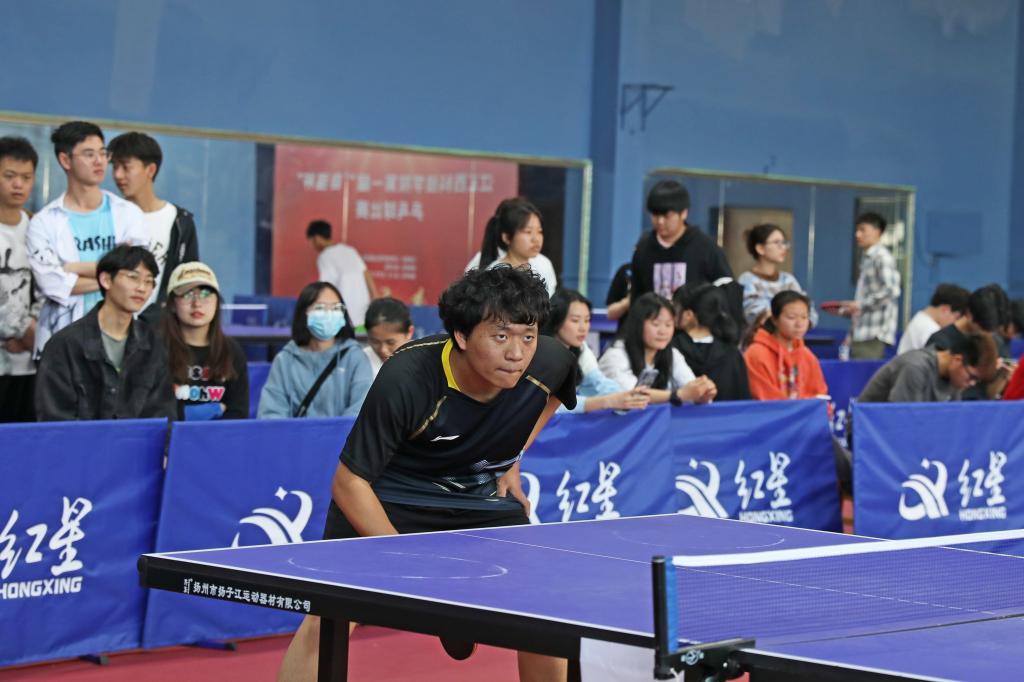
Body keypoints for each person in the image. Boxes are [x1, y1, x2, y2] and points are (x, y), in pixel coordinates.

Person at [276, 266, 578, 682]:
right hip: (389, 493)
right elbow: (349, 481)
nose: (517, 353)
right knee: (329, 616)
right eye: (500, 336)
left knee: (542, 610)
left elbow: (554, 392)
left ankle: (453, 609)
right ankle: (446, 605)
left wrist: (513, 457)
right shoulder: (407, 377)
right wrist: (408, 565)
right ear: (462, 336)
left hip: (474, 494)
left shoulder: (549, 359)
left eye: (528, 336)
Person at [27, 120, 148, 359]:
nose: (100, 161)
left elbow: (139, 272)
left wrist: (71, 268)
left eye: (103, 153)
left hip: (119, 341)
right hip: (61, 343)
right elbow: (52, 284)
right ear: (65, 160)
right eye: (89, 154)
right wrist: (116, 276)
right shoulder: (44, 222)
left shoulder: (129, 214)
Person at [34, 245, 175, 421]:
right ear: (106, 280)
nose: (142, 288)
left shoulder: (153, 344)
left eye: (149, 281)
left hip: (137, 439)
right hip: (82, 439)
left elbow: (163, 414)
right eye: (133, 277)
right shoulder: (65, 345)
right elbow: (54, 418)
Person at [108, 131, 200, 321]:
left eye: (125, 167)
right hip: (113, 321)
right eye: (114, 167)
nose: (118, 175)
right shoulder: (108, 217)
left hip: (160, 327)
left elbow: (188, 279)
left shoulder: (179, 222)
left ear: (150, 170)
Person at [258, 282, 371, 418]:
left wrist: (337, 431)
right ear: (304, 313)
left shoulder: (355, 358)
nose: (329, 314)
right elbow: (271, 413)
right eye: (320, 308)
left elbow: (360, 410)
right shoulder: (285, 360)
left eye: (336, 308)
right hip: (295, 432)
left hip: (344, 432)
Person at [162, 262, 249, 420]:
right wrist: (211, 410)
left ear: (217, 302)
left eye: (205, 294)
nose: (197, 303)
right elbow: (156, 411)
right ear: (173, 305)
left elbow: (238, 413)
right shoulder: (158, 350)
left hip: (219, 436)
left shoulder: (231, 351)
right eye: (187, 295)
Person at [541, 288, 649, 413]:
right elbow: (547, 406)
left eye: (587, 320)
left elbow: (599, 382)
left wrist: (625, 396)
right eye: (575, 320)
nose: (583, 328)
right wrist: (606, 402)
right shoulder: (540, 352)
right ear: (556, 319)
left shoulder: (581, 349)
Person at [598, 292, 716, 405]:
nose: (662, 331)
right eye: (656, 324)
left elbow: (689, 386)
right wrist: (678, 395)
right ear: (638, 325)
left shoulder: (672, 354)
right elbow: (632, 396)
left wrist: (702, 393)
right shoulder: (616, 355)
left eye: (668, 325)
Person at [630, 180, 732, 301]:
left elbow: (726, 290)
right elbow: (637, 296)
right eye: (655, 215)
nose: (660, 221)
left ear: (684, 213)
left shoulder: (706, 247)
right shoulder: (643, 248)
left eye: (667, 216)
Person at [0, 136, 40, 422]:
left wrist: (32, 331)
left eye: (26, 178)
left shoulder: (37, 227)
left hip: (28, 363)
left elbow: (47, 287)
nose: (18, 185)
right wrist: (20, 329)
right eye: (9, 176)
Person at [926, 284, 1014, 399]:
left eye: (992, 331)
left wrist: (1001, 375)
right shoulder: (940, 341)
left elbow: (989, 395)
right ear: (969, 314)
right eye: (983, 328)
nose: (987, 336)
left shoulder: (995, 341)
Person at [832, 212, 901, 359]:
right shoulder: (868, 258)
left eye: (863, 230)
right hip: (861, 333)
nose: (857, 234)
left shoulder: (882, 257)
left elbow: (891, 291)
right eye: (857, 230)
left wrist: (860, 305)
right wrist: (848, 310)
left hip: (873, 335)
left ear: (877, 231)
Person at [858, 332, 998, 403]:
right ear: (957, 360)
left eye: (977, 381)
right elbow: (902, 423)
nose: (972, 384)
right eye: (972, 377)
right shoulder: (915, 368)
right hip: (868, 436)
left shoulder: (955, 378)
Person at [745, 291, 829, 401]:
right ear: (774, 320)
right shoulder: (756, 354)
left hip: (804, 411)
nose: (799, 324)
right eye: (791, 317)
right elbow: (766, 399)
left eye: (804, 317)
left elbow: (820, 397)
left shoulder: (807, 356)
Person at [672, 283, 751, 401]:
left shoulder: (668, 350)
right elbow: (743, 403)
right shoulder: (732, 354)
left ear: (689, 315)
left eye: (676, 308)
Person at [471, 197, 555, 296]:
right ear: (506, 237)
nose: (536, 239)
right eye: (528, 232)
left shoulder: (543, 264)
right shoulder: (495, 275)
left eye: (539, 231)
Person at [737, 223, 817, 328]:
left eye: (784, 243)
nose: (783, 247)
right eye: (776, 242)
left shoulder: (788, 279)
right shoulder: (747, 280)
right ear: (760, 249)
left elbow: (809, 311)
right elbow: (754, 314)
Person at [307, 220, 377, 328]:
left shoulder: (325, 256)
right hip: (362, 314)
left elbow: (326, 286)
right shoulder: (350, 250)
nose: (312, 245)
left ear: (317, 238)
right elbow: (365, 272)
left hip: (343, 317)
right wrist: (375, 296)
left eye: (311, 241)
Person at [896, 283, 970, 355]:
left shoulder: (922, 319)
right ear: (945, 310)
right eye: (957, 318)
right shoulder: (930, 330)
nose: (955, 323)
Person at [363, 296, 415, 379]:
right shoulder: (360, 360)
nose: (383, 350)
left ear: (409, 332)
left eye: (391, 342)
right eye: (375, 342)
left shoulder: (423, 362)